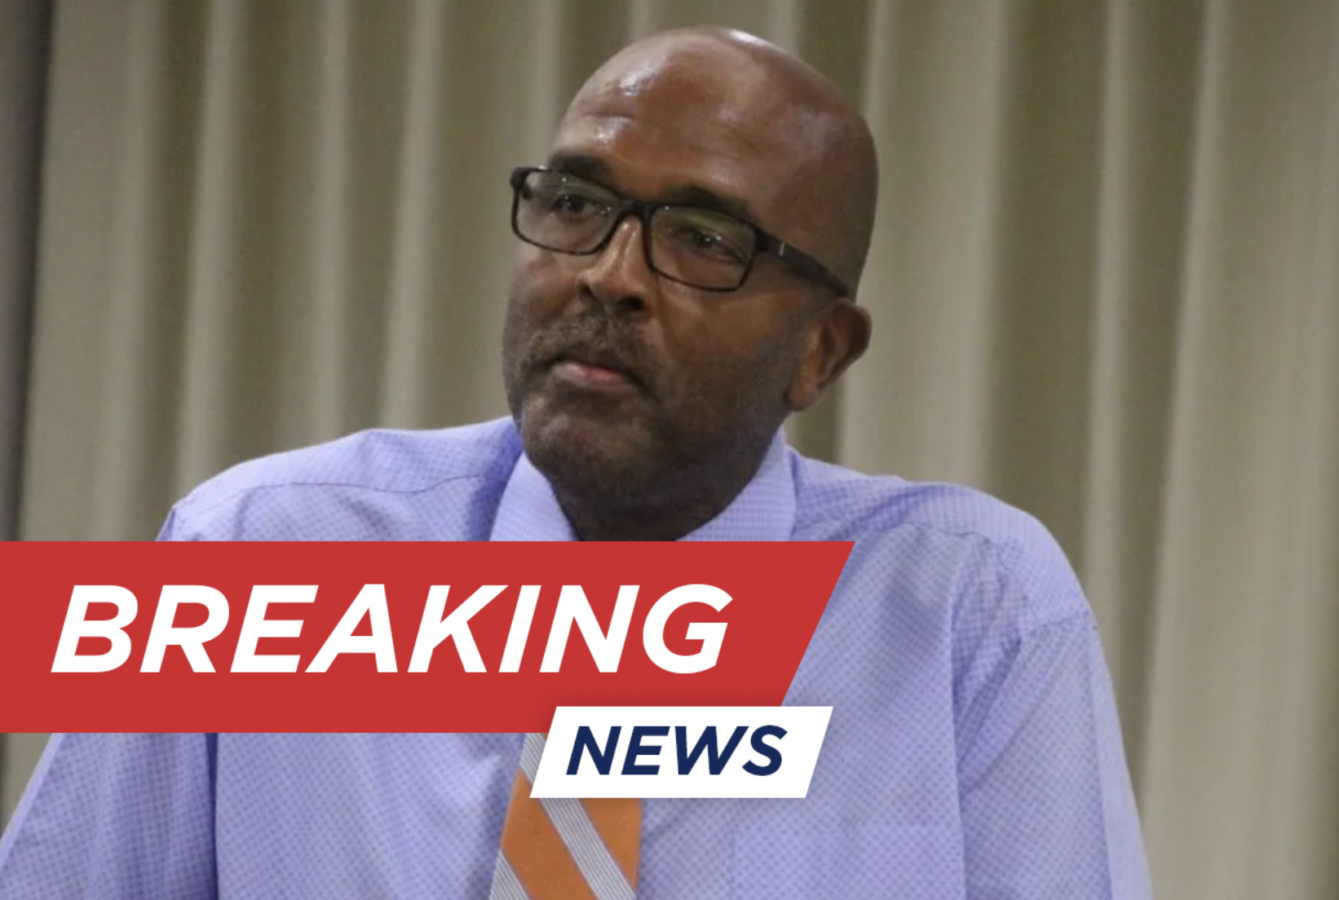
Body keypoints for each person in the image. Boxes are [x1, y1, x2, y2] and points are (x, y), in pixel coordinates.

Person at [0, 26, 1153, 900]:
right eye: (577, 202)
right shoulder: (256, 552)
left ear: (820, 351)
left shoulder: (969, 612)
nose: (609, 273)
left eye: (704, 238)